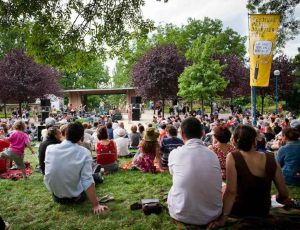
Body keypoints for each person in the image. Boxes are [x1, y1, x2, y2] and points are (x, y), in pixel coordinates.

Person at [208, 125, 291, 229]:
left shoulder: (233, 157)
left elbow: (231, 191)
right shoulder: (271, 158)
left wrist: (223, 218)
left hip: (239, 210)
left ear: (234, 140)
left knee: (222, 190)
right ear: (255, 140)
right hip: (263, 210)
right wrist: (279, 198)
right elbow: (284, 193)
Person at [168, 117, 223, 225]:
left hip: (181, 214)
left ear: (182, 134)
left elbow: (173, 174)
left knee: (173, 188)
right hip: (213, 214)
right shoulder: (212, 155)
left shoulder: (175, 153)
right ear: (202, 133)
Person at [44, 123, 107, 214]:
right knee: (92, 178)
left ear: (65, 133)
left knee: (87, 176)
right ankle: (98, 175)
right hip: (75, 197)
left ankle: (97, 174)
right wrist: (96, 204)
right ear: (81, 137)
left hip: (56, 196)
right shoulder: (84, 153)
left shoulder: (50, 148)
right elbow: (87, 181)